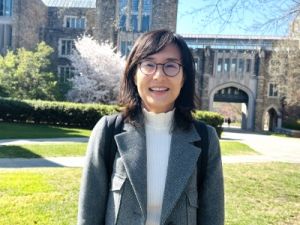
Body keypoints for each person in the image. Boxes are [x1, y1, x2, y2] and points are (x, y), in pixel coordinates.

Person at [77, 29, 224, 225]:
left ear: (184, 77)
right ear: (134, 74)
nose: (158, 76)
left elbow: (212, 218)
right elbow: (89, 215)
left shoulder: (205, 139)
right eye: (149, 64)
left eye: (171, 65)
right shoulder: (108, 131)